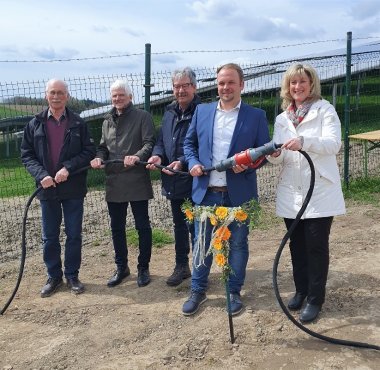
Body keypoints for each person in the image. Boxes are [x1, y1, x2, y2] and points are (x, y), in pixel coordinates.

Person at [182, 63, 271, 316]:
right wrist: (194, 162)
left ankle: (233, 291)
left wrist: (250, 165)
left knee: (239, 244)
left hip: (238, 194)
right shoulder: (202, 111)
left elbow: (263, 152)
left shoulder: (255, 116)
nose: (225, 87)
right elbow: (189, 144)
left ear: (241, 85)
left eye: (231, 82)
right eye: (221, 83)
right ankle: (198, 290)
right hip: (206, 191)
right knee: (202, 243)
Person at [268, 63, 346, 323]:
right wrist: (275, 155)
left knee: (315, 245)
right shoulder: (282, 119)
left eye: (302, 82)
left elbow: (334, 144)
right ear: (287, 87)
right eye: (293, 83)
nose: (297, 87)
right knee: (296, 244)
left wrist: (305, 142)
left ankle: (315, 298)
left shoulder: (325, 110)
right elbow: (278, 158)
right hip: (292, 190)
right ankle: (301, 290)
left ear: (312, 84)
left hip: (319, 189)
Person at [21, 79, 96, 298]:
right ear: (46, 96)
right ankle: (53, 276)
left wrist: (68, 168)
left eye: (60, 93)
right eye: (52, 92)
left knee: (74, 234)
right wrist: (42, 175)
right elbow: (27, 154)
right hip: (47, 189)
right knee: (50, 236)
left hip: (72, 187)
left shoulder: (78, 123)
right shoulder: (34, 124)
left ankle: (72, 275)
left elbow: (88, 152)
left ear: (67, 97)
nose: (56, 96)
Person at [90, 79, 155, 288]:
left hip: (136, 179)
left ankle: (143, 267)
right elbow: (102, 146)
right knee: (117, 227)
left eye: (121, 95)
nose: (117, 99)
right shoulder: (107, 120)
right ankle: (122, 267)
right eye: (114, 95)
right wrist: (98, 157)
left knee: (142, 226)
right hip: (114, 181)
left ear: (130, 96)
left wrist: (136, 156)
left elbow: (149, 143)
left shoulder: (142, 117)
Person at [146, 67, 201, 286]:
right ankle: (182, 265)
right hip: (172, 179)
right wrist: (158, 156)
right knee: (179, 225)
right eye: (176, 86)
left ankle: (199, 268)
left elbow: (203, 145)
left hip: (194, 179)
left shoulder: (203, 111)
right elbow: (161, 141)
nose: (180, 90)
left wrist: (183, 162)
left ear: (194, 87)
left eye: (185, 86)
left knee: (196, 226)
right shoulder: (169, 112)